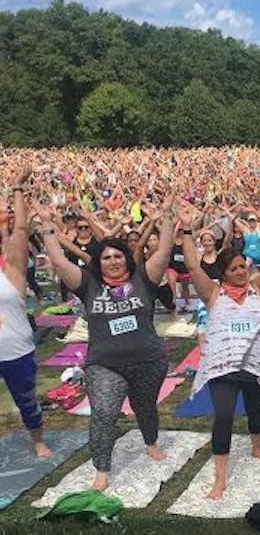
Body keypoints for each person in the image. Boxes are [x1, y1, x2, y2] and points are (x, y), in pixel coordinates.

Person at [37, 195, 176, 490]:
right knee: (103, 412)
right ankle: (101, 470)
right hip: (105, 365)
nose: (113, 261)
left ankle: (150, 442)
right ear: (98, 263)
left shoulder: (143, 280)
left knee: (146, 406)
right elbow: (59, 261)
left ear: (126, 257)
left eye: (117, 255)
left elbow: (164, 251)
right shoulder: (89, 285)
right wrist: (48, 227)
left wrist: (166, 217)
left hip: (149, 362)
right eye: (106, 257)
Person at [178, 201, 260, 500]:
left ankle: (257, 446)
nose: (241, 271)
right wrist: (186, 230)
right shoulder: (212, 293)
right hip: (223, 367)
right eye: (234, 268)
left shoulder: (258, 289)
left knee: (256, 410)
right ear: (223, 273)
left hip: (254, 365)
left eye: (243, 266)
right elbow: (192, 265)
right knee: (223, 416)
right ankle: (219, 478)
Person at [0, 167, 52, 457]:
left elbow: (20, 230)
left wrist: (17, 189)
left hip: (16, 350)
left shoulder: (12, 271)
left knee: (26, 400)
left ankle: (38, 440)